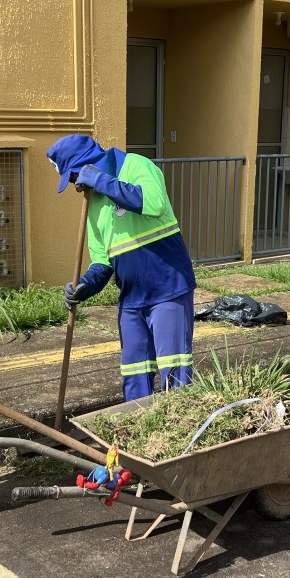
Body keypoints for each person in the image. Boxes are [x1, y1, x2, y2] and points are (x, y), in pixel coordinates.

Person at [46, 134, 197, 401]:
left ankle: (180, 426)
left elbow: (153, 203)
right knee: (134, 374)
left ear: (86, 166)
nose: (73, 184)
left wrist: (102, 182)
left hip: (169, 288)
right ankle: (137, 425)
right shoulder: (93, 204)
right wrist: (85, 285)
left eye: (72, 176)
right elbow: (102, 260)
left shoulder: (136, 165)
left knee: (174, 371)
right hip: (131, 298)